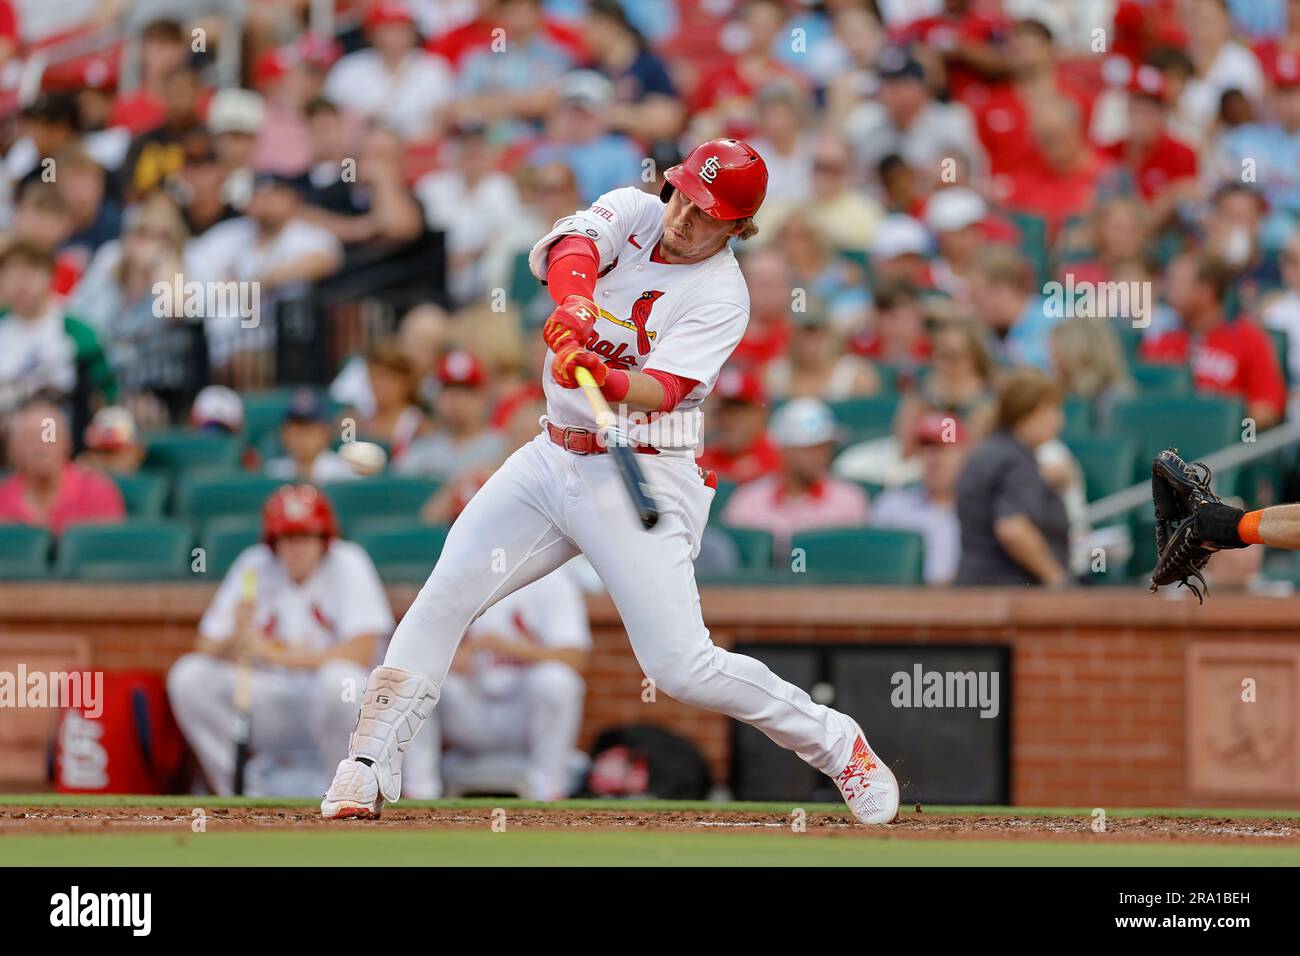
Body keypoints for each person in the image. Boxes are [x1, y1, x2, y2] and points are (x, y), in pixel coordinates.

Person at [321, 139, 901, 826]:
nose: (685, 215)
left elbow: (669, 386)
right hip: (552, 454)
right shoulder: (635, 208)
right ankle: (366, 764)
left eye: (707, 210)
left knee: (681, 667)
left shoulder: (723, 295)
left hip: (646, 462)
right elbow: (574, 248)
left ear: (739, 227)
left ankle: (839, 743)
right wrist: (574, 310)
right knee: (446, 592)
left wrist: (610, 380)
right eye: (684, 193)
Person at [167, 486, 394, 796]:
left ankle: (344, 791)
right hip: (270, 700)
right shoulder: (254, 564)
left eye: (306, 536)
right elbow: (204, 646)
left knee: (341, 680)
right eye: (287, 538)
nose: (297, 547)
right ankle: (241, 791)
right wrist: (236, 634)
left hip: (327, 701)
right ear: (273, 542)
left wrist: (273, 654)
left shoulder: (348, 561)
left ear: (324, 539)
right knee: (189, 676)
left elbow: (361, 652)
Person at [427, 569, 591, 801]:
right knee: (424, 681)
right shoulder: (454, 576)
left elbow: (575, 659)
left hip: (524, 715)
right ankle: (421, 791)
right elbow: (421, 654)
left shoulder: (552, 579)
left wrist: (507, 647)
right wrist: (451, 659)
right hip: (473, 714)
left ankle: (549, 790)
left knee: (557, 680)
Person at [1140, 251, 1286, 429]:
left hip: (1226, 449)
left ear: (1206, 291)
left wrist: (1220, 423)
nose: (1168, 288)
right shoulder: (1162, 338)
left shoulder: (1248, 338)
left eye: (1177, 282)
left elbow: (1268, 409)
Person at [954, 369, 1070, 587]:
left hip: (973, 588)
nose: (1059, 420)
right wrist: (1057, 579)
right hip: (1010, 596)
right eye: (1052, 409)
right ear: (1030, 412)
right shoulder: (1017, 460)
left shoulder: (986, 451)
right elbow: (1012, 528)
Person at [722, 397, 871, 557]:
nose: (821, 456)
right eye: (810, 449)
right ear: (784, 450)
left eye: (825, 447)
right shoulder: (747, 502)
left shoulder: (849, 500)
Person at [0, 399, 125, 534]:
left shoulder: (98, 492)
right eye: (30, 438)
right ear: (14, 448)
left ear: (66, 443)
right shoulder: (3, 497)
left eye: (49, 435)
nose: (40, 447)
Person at [871, 414, 965, 585]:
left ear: (964, 454)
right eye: (926, 449)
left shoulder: (981, 510)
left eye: (943, 449)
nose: (933, 459)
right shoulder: (891, 506)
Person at [395, 350, 505, 482]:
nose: (456, 400)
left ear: (483, 397)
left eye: (466, 391)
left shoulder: (502, 447)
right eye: (449, 390)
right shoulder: (422, 446)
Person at [695, 367, 781, 485]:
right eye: (722, 411)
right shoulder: (701, 460)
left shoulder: (779, 461)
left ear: (761, 414)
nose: (728, 421)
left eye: (738, 412)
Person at [264, 389, 355, 484]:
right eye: (296, 430)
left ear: (325, 433)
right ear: (284, 434)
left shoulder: (342, 474)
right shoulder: (274, 473)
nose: (302, 437)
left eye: (309, 429)